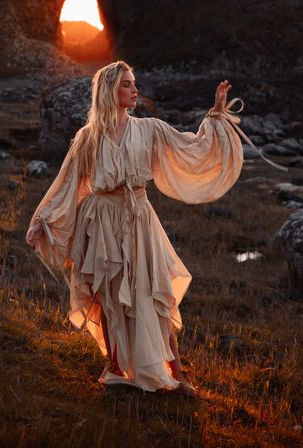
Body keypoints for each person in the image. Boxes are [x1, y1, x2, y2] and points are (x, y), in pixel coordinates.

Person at [26, 61, 244, 397]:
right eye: (128, 84)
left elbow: (192, 149)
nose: (135, 89)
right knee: (110, 295)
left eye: (134, 83)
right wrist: (43, 218)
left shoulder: (150, 129)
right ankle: (115, 369)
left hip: (139, 217)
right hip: (100, 220)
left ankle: (176, 372)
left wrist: (215, 116)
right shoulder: (88, 138)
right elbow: (68, 183)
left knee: (155, 290)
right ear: (111, 90)